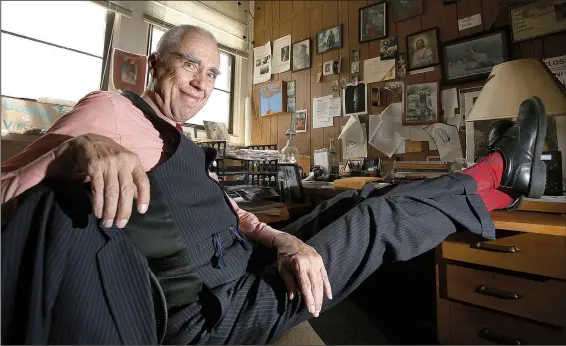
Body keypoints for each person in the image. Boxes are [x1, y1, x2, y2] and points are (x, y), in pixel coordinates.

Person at [1, 25, 548, 345]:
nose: (201, 83)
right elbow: (8, 194)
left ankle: (498, 182)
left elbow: (230, 214)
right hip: (211, 313)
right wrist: (75, 149)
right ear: (151, 65)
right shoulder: (110, 111)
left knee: (361, 198)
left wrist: (282, 239)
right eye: (190, 65)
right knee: (374, 221)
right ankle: (496, 178)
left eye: (214, 74)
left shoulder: (180, 138)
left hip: (244, 260)